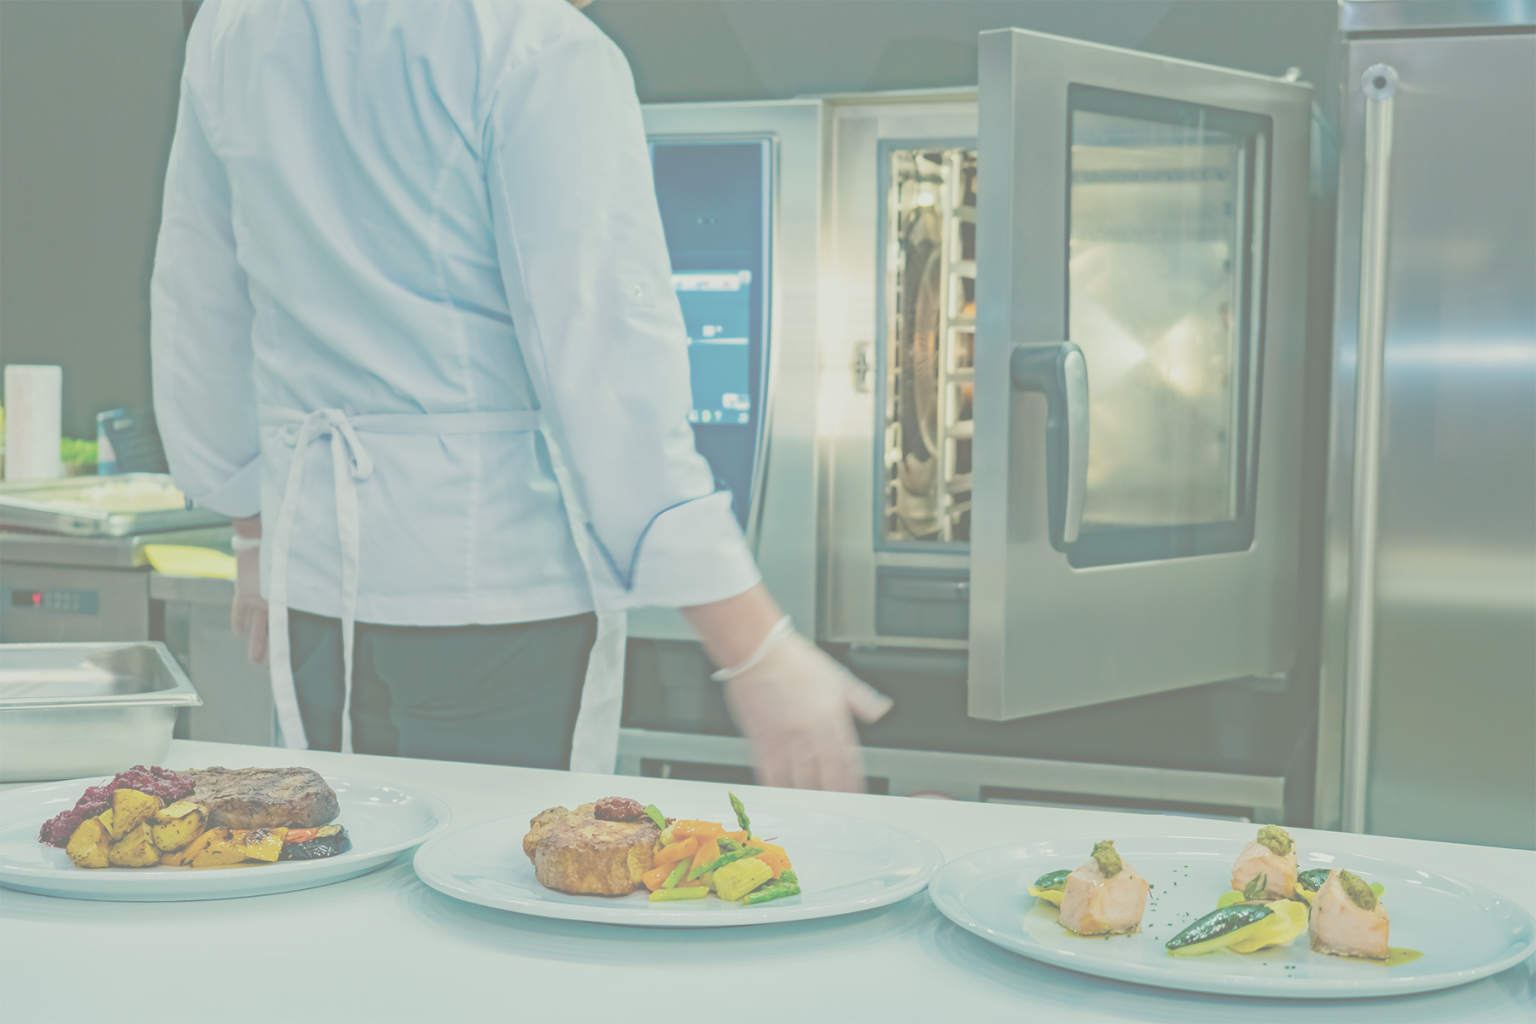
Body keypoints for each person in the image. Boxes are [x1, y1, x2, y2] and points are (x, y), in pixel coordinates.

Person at [150, 0, 892, 791]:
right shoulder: (537, 45)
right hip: (495, 593)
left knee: (349, 847)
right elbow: (607, 374)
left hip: (316, 581)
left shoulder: (236, 23)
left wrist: (256, 530)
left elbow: (200, 301)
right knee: (493, 856)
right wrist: (753, 645)